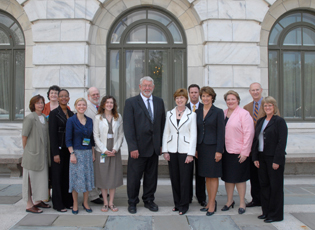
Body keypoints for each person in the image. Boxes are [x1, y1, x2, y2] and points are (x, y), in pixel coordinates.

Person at [123, 76, 166, 214]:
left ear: (153, 87)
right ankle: (132, 202)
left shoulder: (159, 102)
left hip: (154, 148)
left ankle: (149, 200)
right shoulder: (131, 102)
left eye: (150, 85)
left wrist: (161, 145)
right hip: (138, 149)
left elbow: (162, 124)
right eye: (145, 85)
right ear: (140, 87)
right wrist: (132, 147)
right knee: (134, 178)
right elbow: (128, 127)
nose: (147, 88)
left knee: (151, 177)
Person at [244, 82, 280, 208]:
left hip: (267, 147)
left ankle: (268, 200)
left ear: (261, 90)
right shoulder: (247, 107)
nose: (255, 92)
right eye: (253, 90)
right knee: (254, 176)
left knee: (267, 178)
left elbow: (277, 127)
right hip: (253, 147)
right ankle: (256, 199)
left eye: (257, 90)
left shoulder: (269, 105)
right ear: (250, 92)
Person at [252, 96, 288, 223]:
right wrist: (255, 157)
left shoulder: (279, 122)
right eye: (265, 105)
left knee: (275, 187)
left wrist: (277, 160)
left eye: (270, 105)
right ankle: (266, 212)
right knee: (264, 186)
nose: (267, 107)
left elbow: (281, 142)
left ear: (274, 107)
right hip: (261, 158)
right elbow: (256, 140)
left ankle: (276, 215)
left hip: (274, 158)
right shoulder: (261, 121)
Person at [162, 88, 196, 215]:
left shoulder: (192, 114)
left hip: (185, 151)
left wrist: (191, 154)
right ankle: (177, 203)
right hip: (172, 150)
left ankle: (184, 205)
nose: (179, 100)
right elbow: (166, 132)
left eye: (182, 98)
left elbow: (193, 135)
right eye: (177, 98)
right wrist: (165, 150)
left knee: (185, 179)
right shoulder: (169, 113)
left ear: (186, 99)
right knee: (175, 178)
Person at [221, 90, 254, 215]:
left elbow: (249, 133)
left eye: (232, 99)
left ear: (238, 100)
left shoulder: (244, 114)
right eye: (228, 99)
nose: (230, 101)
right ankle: (229, 201)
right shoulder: (223, 113)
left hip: (239, 152)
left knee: (240, 179)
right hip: (226, 152)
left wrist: (245, 152)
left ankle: (241, 202)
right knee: (228, 179)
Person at [196, 86, 225, 216]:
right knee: (206, 176)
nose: (205, 98)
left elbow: (221, 133)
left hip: (213, 148)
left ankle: (212, 203)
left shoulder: (218, 112)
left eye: (208, 96)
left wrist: (219, 150)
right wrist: (195, 149)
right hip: (201, 148)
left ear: (212, 97)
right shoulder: (197, 111)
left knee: (213, 176)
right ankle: (208, 202)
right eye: (203, 96)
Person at [93, 96, 124, 212]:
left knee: (113, 176)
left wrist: (115, 149)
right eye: (107, 102)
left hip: (114, 150)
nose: (109, 105)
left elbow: (121, 134)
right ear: (103, 104)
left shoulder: (118, 116)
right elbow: (95, 135)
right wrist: (104, 150)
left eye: (111, 103)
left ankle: (111, 202)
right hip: (102, 150)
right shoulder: (98, 118)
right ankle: (105, 203)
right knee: (103, 176)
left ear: (114, 105)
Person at [66, 98, 95, 214]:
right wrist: (72, 154)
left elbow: (91, 139)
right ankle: (75, 203)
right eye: (79, 105)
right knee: (76, 179)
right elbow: (68, 139)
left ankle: (86, 202)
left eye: (84, 105)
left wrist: (93, 153)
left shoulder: (90, 121)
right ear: (75, 106)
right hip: (76, 153)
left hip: (87, 153)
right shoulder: (71, 121)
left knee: (87, 179)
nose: (82, 106)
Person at [22, 95, 51, 213]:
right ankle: (29, 205)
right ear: (33, 105)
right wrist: (27, 151)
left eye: (42, 102)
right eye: (38, 103)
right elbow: (24, 137)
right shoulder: (29, 118)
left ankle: (38, 201)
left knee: (41, 179)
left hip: (42, 155)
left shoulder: (44, 117)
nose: (40, 105)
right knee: (30, 179)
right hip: (32, 154)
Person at [49, 89, 74, 212]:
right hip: (58, 150)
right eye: (61, 96)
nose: (64, 98)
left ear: (69, 98)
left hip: (68, 150)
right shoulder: (54, 113)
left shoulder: (71, 113)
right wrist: (55, 153)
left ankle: (68, 201)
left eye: (66, 96)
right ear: (58, 98)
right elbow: (52, 135)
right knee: (57, 177)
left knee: (67, 177)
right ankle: (58, 204)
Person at [186, 84, 206, 207]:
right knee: (187, 173)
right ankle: (187, 197)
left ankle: (201, 197)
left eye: (196, 92)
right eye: (191, 92)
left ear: (199, 94)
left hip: (202, 146)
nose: (194, 94)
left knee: (200, 174)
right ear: (189, 94)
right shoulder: (184, 108)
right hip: (187, 146)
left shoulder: (205, 107)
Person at [84, 87, 103, 205]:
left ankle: (100, 190)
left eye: (97, 94)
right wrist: (87, 145)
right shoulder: (85, 108)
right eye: (93, 95)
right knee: (91, 169)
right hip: (90, 143)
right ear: (88, 96)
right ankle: (93, 195)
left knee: (99, 169)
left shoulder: (101, 106)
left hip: (101, 144)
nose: (96, 96)